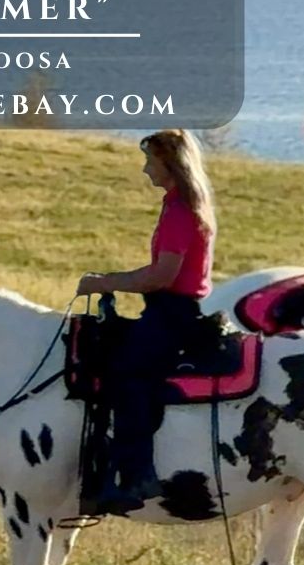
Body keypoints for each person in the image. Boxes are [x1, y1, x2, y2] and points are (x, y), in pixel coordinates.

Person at [75, 129, 217, 516]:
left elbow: (161, 276)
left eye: (151, 161)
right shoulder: (183, 205)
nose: (145, 169)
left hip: (172, 313)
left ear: (169, 165)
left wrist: (104, 282)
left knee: (127, 372)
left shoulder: (179, 212)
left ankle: (138, 474)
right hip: (170, 311)